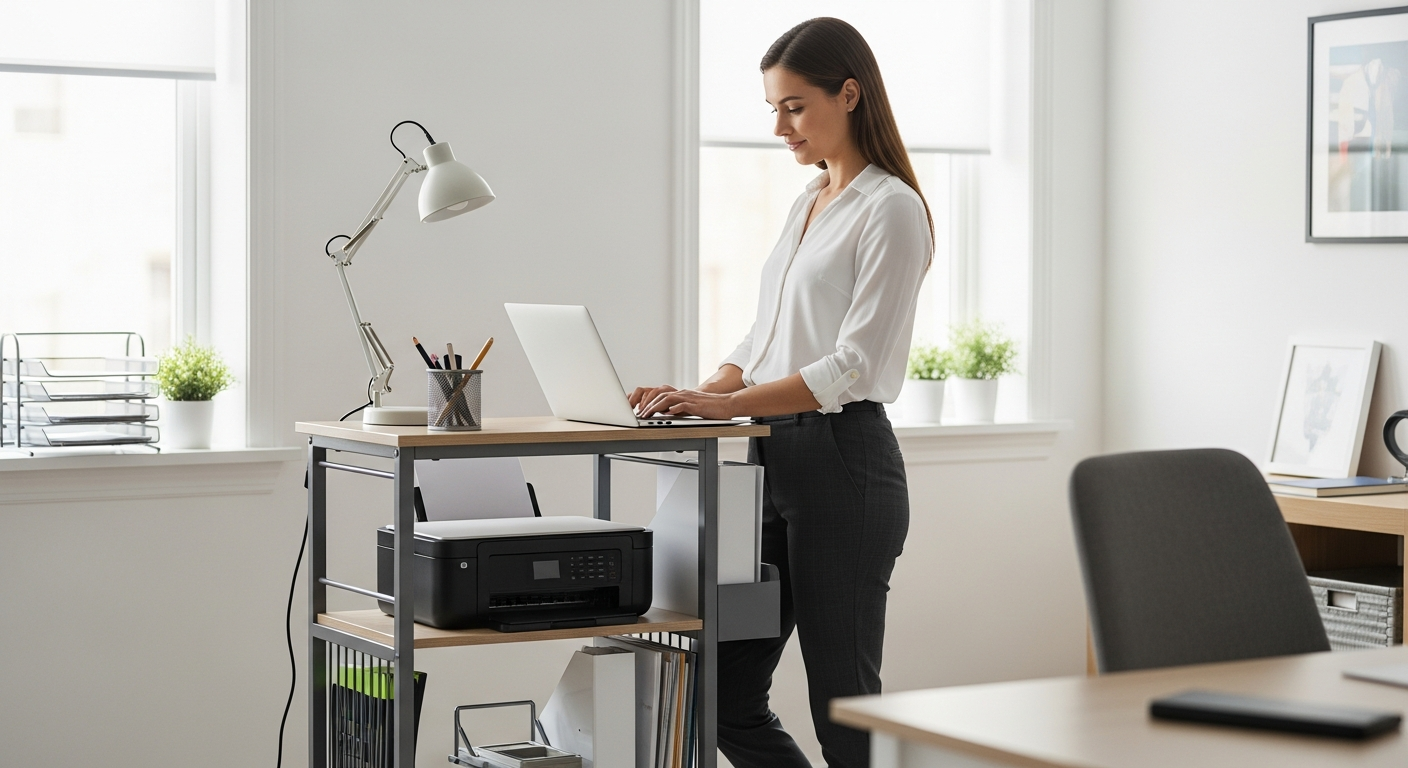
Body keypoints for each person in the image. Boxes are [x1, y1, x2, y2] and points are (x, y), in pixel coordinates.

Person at [630, 16, 932, 768]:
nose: (778, 126)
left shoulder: (891, 208)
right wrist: (702, 391)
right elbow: (764, 337)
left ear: (850, 93)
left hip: (845, 463)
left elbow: (852, 365)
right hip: (774, 460)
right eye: (774, 107)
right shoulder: (808, 202)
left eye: (794, 106)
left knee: (843, 710)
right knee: (724, 697)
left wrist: (729, 408)